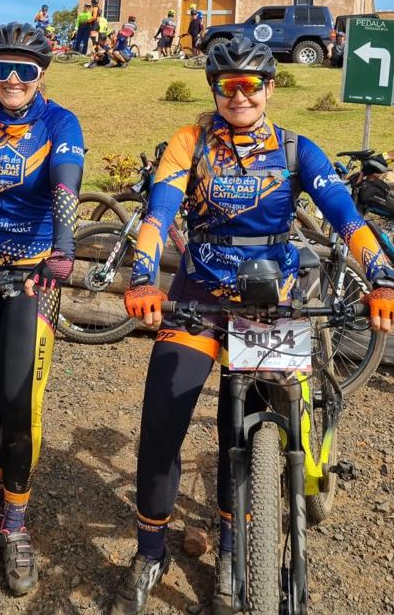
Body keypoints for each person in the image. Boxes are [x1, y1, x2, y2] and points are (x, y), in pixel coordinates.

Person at [110, 36, 394, 615]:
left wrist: (382, 275)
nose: (238, 95)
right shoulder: (190, 143)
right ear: (214, 90)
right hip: (197, 300)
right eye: (226, 85)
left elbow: (346, 217)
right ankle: (150, 548)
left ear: (269, 88)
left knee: (238, 433)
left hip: (272, 305)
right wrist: (142, 277)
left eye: (250, 85)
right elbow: (158, 214)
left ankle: (238, 544)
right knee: (163, 421)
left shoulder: (297, 149)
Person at [0, 22, 84, 596]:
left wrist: (65, 245)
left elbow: (64, 186)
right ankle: (1, 496)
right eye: (2, 68)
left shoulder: (59, 123)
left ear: (41, 75)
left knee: (18, 395)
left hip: (32, 273)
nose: (11, 80)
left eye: (24, 70)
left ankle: (17, 520)